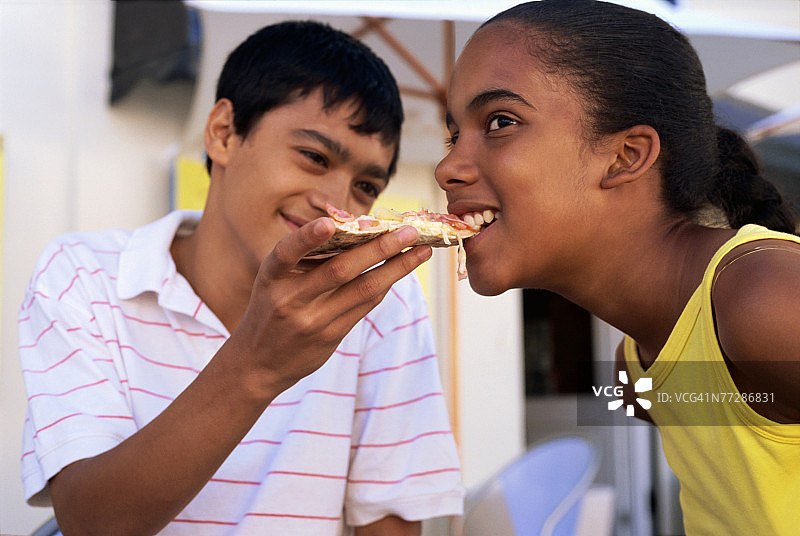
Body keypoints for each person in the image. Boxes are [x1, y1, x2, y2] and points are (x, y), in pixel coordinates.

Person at [19, 20, 464, 535]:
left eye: (365, 186)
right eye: (314, 157)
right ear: (223, 133)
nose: (338, 206)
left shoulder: (382, 301)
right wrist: (258, 363)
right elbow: (90, 520)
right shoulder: (83, 276)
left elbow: (388, 527)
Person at [435, 1, 800, 535]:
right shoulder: (635, 375)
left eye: (500, 122)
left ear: (626, 156)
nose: (448, 168)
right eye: (452, 136)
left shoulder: (762, 299)